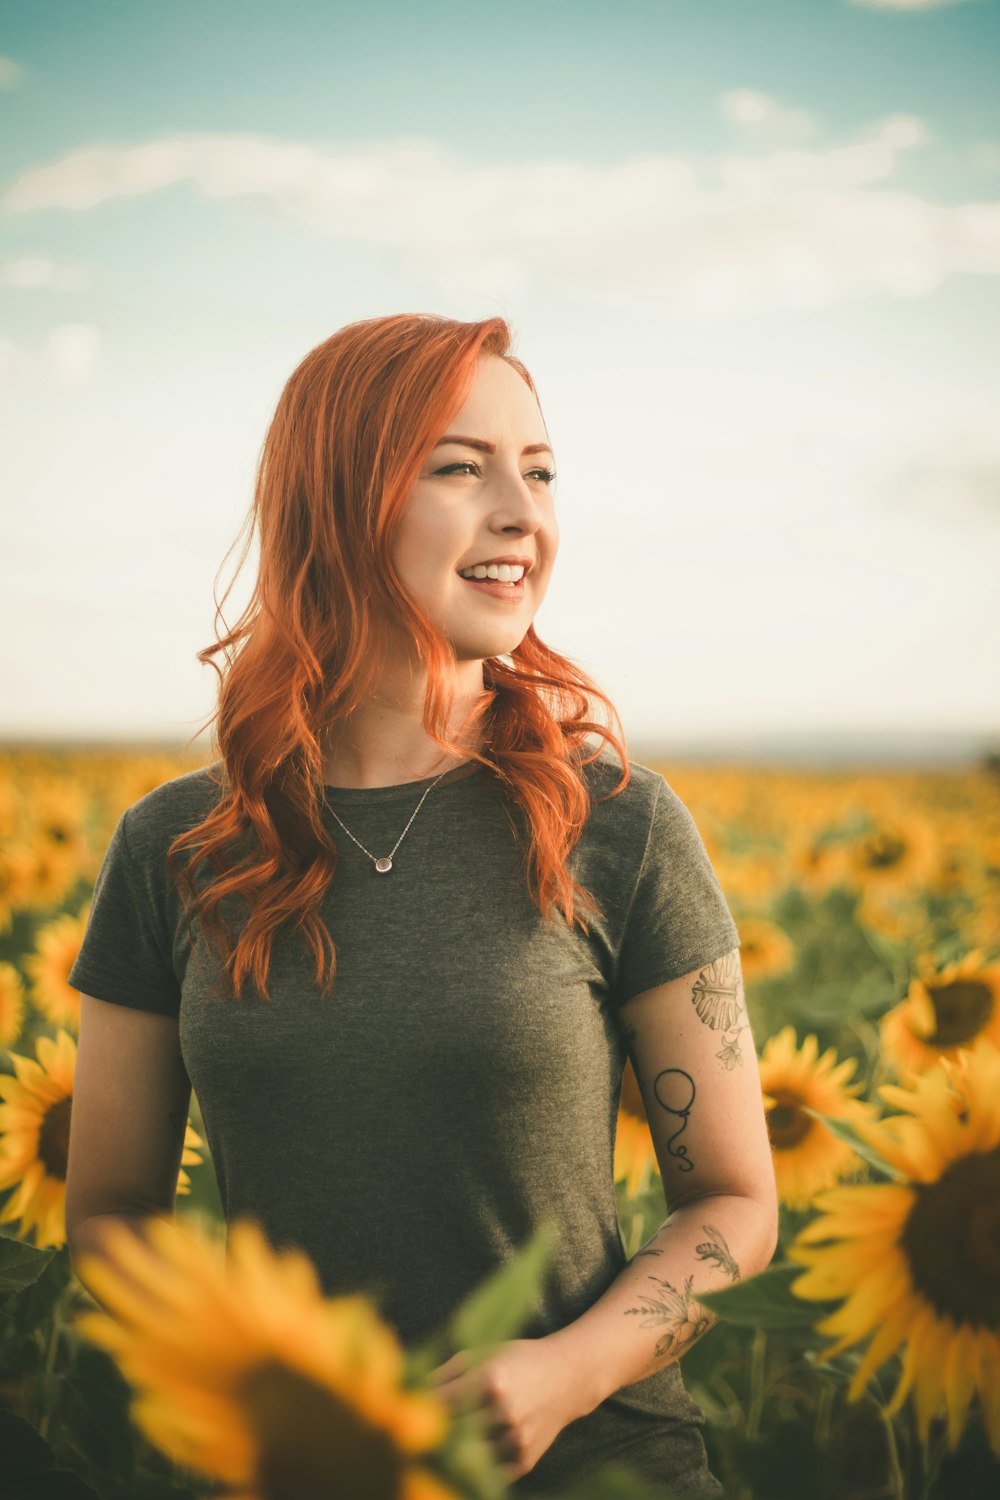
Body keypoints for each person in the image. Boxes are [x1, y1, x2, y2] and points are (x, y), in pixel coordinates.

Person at [65, 312, 778, 1497]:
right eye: (461, 466)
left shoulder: (621, 826)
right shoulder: (175, 849)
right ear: (336, 500)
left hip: (593, 1468)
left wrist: (564, 1373)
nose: (522, 513)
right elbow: (110, 1210)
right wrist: (257, 1388)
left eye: (539, 472)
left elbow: (736, 1201)